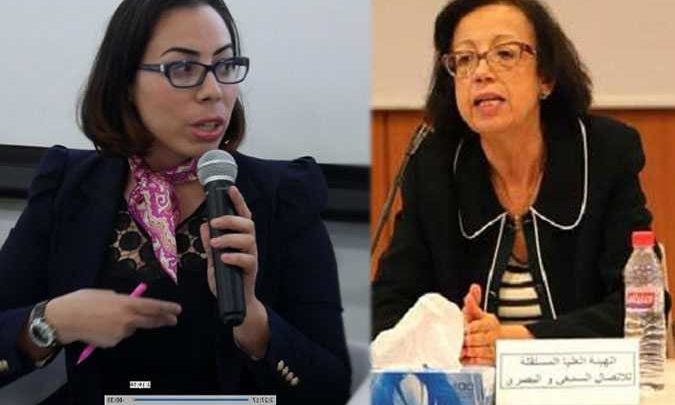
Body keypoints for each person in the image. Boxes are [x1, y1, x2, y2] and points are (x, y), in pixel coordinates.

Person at [0, 0, 350, 403]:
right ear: (125, 83)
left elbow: (331, 387)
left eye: (225, 65)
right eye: (183, 68)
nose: (213, 91)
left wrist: (255, 324)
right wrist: (53, 321)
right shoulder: (68, 185)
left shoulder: (284, 194)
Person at [372, 0, 667, 366]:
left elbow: (642, 306)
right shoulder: (434, 166)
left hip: (586, 384)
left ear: (546, 77)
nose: (481, 72)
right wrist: (452, 338)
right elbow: (386, 309)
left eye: (505, 54)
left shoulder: (604, 152)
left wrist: (514, 340)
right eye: (464, 59)